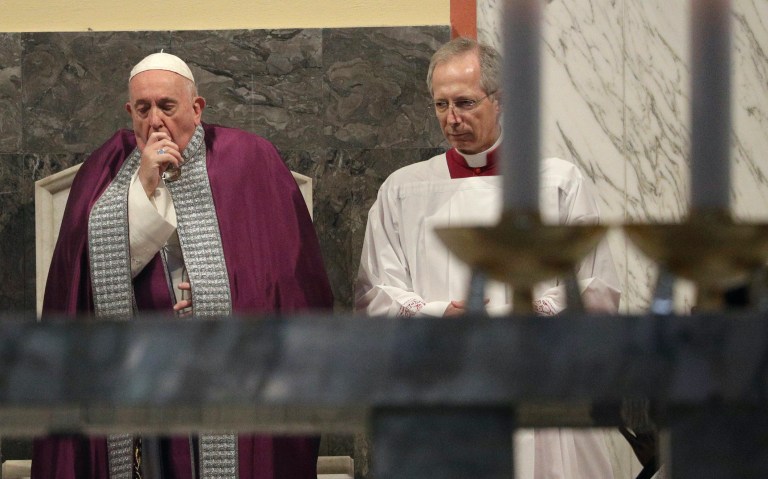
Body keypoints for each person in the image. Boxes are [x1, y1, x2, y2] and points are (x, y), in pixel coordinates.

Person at [32, 52, 333, 479]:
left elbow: (293, 281)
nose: (155, 120)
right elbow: (78, 281)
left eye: (167, 106)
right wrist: (144, 188)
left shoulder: (251, 160)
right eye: (143, 108)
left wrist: (223, 298)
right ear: (129, 112)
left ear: (197, 107)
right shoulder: (107, 169)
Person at [355, 37, 622, 478]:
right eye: (440, 105)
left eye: (464, 102)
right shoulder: (402, 190)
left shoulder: (558, 182)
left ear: (502, 100)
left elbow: (594, 286)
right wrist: (441, 314)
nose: (451, 119)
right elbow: (373, 294)